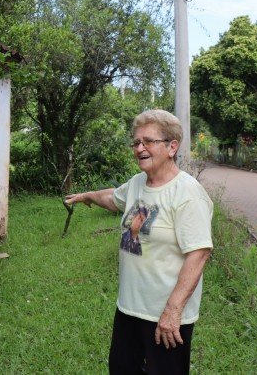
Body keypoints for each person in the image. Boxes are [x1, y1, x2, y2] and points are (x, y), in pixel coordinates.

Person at [65, 109, 213, 375]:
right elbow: (114, 198)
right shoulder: (137, 184)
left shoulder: (188, 193)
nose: (139, 148)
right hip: (129, 309)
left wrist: (172, 311)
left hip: (165, 317)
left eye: (148, 141)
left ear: (171, 146)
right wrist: (88, 195)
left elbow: (199, 253)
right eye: (136, 142)